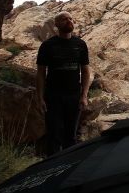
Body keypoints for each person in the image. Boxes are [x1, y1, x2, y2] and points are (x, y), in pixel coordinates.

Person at [36, 11, 92, 155]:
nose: (69, 21)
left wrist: (84, 95)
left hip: (74, 96)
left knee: (71, 136)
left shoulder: (80, 44)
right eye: (64, 19)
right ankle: (51, 169)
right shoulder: (47, 46)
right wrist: (40, 98)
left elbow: (85, 71)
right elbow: (41, 73)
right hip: (53, 96)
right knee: (53, 134)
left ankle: (68, 167)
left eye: (70, 18)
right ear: (56, 24)